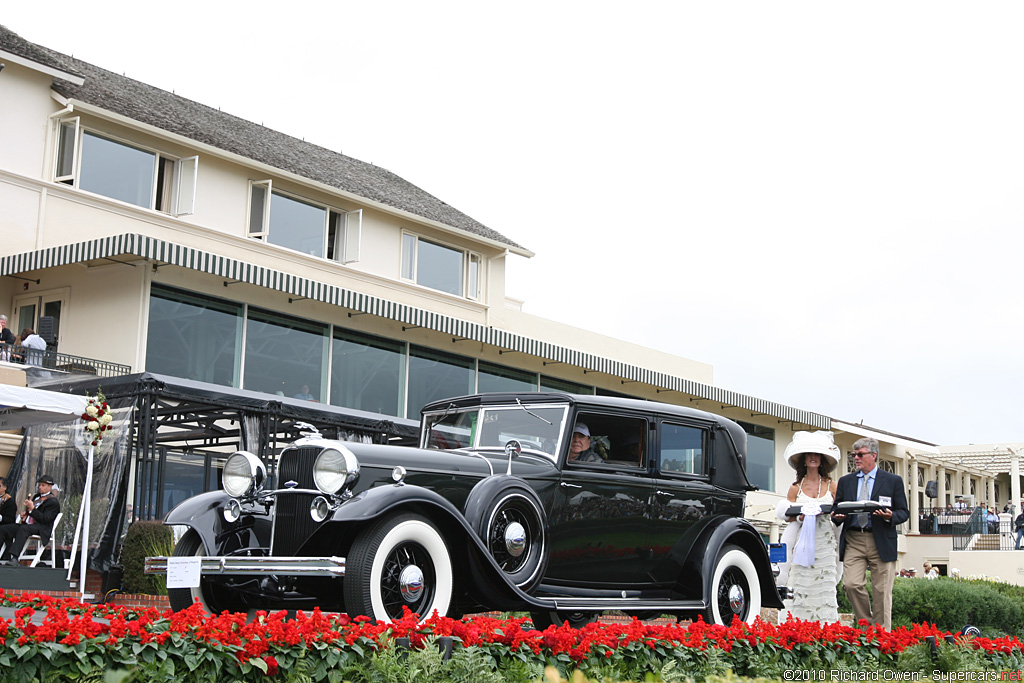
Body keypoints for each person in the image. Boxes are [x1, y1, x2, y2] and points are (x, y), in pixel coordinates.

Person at [831, 437, 909, 631]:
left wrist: (890, 516)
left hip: (881, 538)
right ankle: (868, 627)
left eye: (860, 454)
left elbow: (903, 512)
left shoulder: (893, 481)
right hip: (854, 538)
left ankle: (882, 636)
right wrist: (837, 516)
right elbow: (836, 509)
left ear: (873, 456)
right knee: (850, 584)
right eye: (854, 455)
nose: (856, 458)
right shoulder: (846, 481)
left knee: (882, 591)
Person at [776, 431, 842, 623]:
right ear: (804, 460)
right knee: (800, 582)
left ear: (822, 460)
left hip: (825, 541)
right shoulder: (795, 487)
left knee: (824, 583)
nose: (813, 458)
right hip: (802, 541)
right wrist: (800, 515)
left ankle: (826, 627)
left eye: (817, 454)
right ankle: (795, 627)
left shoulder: (832, 486)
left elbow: (838, 514)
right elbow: (787, 516)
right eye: (809, 454)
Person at [0, 475, 62, 566]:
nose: (40, 487)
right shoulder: (36, 497)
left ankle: (14, 557)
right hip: (29, 525)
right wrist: (26, 515)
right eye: (39, 485)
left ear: (50, 486)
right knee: (3, 529)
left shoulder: (53, 502)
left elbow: (45, 519)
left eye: (43, 485)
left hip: (41, 528)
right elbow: (32, 513)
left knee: (24, 529)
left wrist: (32, 509)